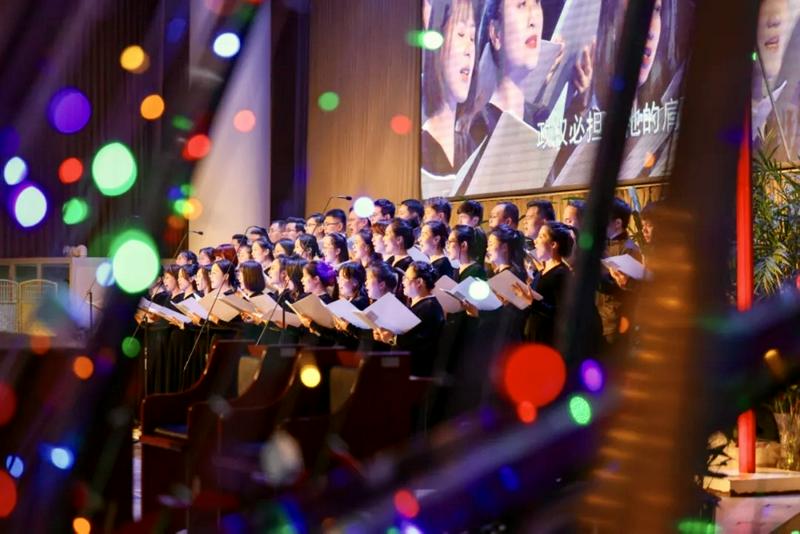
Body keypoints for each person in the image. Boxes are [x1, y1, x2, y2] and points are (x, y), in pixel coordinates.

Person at [421, 0, 478, 175]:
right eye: (461, 34)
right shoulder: (419, 150)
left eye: (472, 38)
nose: (469, 49)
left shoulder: (470, 149)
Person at [373, 262, 445, 377]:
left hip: (415, 371)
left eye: (406, 278)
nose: (403, 282)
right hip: (403, 367)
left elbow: (419, 342)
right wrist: (385, 335)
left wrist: (392, 338)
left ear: (419, 282)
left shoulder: (430, 307)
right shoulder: (420, 304)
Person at [514, 221, 574, 345]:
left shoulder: (561, 274)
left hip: (548, 339)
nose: (535, 241)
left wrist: (533, 302)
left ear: (553, 244)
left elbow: (562, 313)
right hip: (532, 335)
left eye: (541, 236)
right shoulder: (540, 273)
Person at [597, 197, 642, 345]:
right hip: (599, 319)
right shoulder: (603, 245)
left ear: (617, 223)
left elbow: (625, 288)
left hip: (614, 322)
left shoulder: (629, 249)